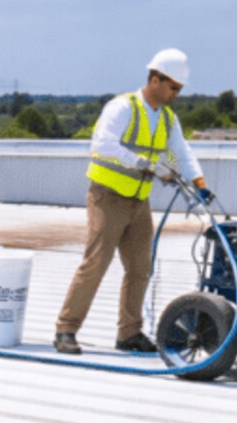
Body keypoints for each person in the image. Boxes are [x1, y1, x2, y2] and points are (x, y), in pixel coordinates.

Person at [53, 48, 211, 356]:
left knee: (140, 268)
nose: (176, 94)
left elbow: (182, 152)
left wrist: (200, 182)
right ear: (155, 79)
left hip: (139, 202)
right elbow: (101, 144)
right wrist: (142, 163)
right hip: (107, 198)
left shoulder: (167, 118)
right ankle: (66, 329)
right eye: (173, 87)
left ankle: (129, 333)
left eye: (179, 89)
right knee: (96, 263)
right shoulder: (123, 107)